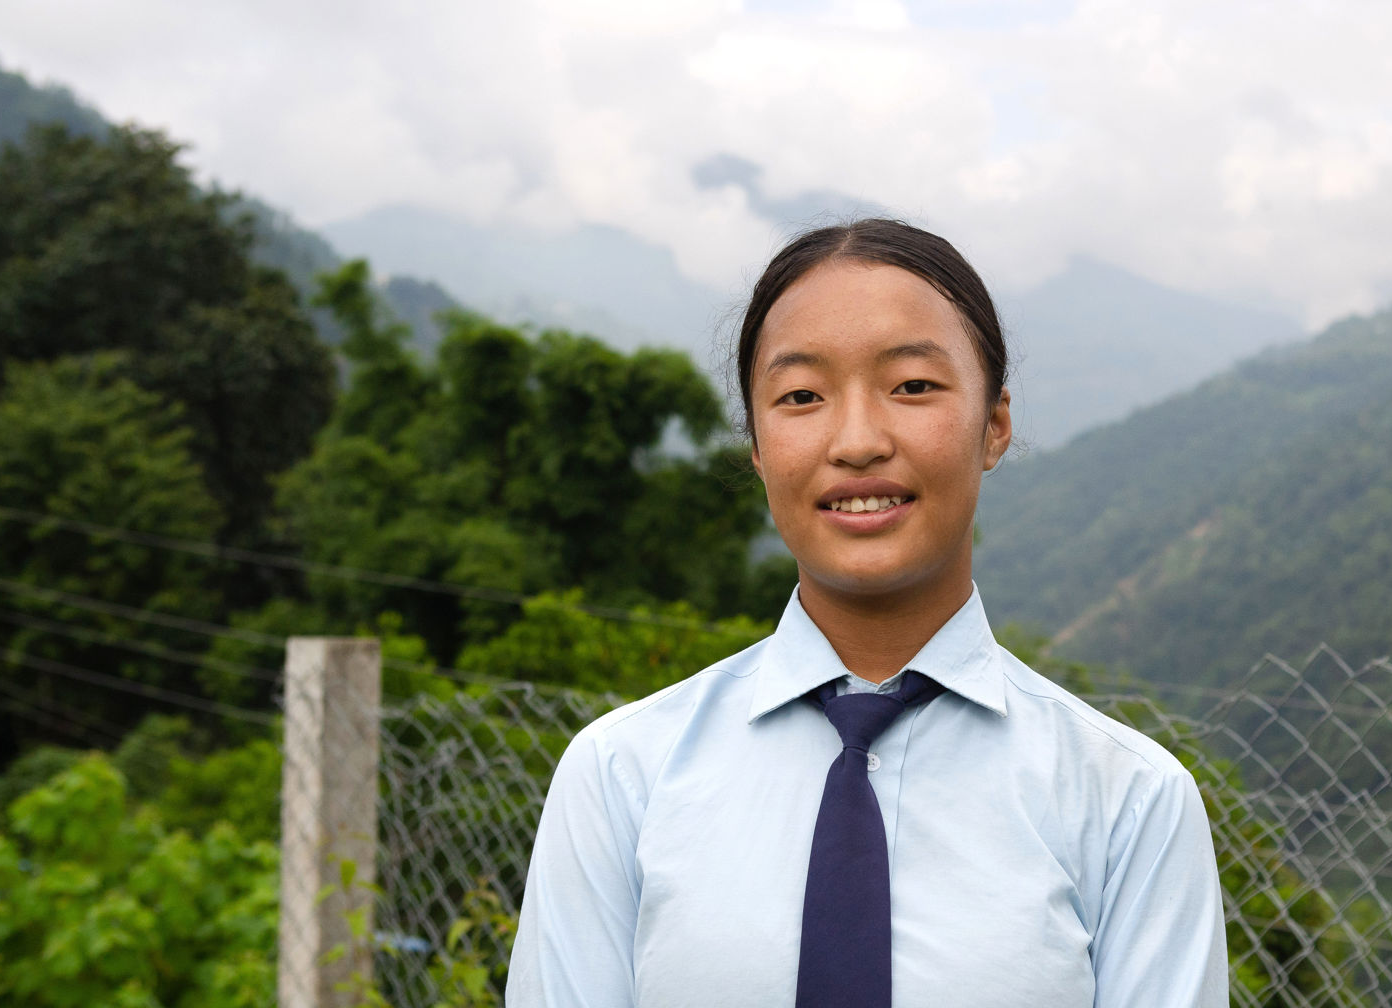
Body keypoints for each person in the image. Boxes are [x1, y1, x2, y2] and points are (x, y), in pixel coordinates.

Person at [506, 219, 1227, 1007]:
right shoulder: (621, 778)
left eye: (912, 385)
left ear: (995, 424)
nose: (855, 442)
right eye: (802, 396)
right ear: (756, 446)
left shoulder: (1127, 802)